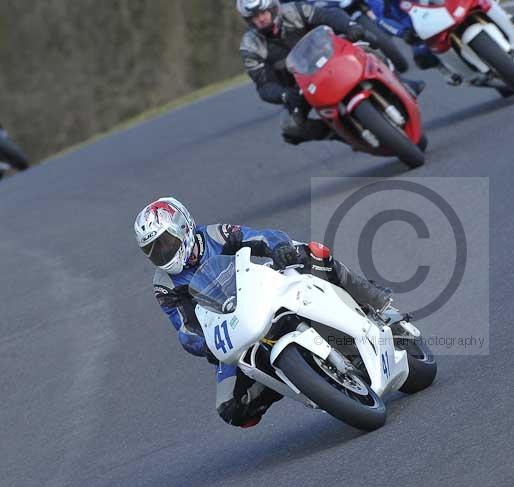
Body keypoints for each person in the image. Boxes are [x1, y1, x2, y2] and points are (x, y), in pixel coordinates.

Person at [134, 197, 391, 428]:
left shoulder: (214, 235)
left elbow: (260, 237)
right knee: (232, 409)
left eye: (164, 242)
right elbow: (184, 328)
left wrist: (277, 248)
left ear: (183, 228)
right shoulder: (164, 285)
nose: (162, 252)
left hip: (262, 289)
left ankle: (372, 299)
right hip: (232, 329)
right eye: (152, 250)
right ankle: (297, 378)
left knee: (311, 252)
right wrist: (207, 345)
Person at [238, 0, 424, 145]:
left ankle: (401, 83)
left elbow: (327, 15)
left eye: (262, 13)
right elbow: (264, 86)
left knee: (365, 47)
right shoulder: (251, 46)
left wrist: (350, 27)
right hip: (300, 87)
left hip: (331, 57)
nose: (260, 19)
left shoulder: (295, 11)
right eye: (254, 17)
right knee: (290, 128)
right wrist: (285, 94)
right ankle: (342, 133)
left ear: (273, 8)